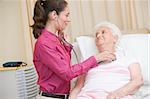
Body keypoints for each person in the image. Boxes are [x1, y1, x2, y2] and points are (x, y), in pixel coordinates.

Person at [31, 0, 116, 99]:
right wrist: (95, 59)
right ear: (54, 15)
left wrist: (66, 46)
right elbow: (67, 73)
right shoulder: (44, 43)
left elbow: (63, 64)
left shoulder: (55, 39)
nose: (68, 19)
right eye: (66, 15)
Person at [69, 22, 144, 99]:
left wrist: (116, 94)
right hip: (88, 96)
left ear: (115, 38)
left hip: (118, 96)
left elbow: (138, 80)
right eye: (96, 34)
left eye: (103, 32)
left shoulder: (126, 56)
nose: (98, 36)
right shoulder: (88, 60)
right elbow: (77, 87)